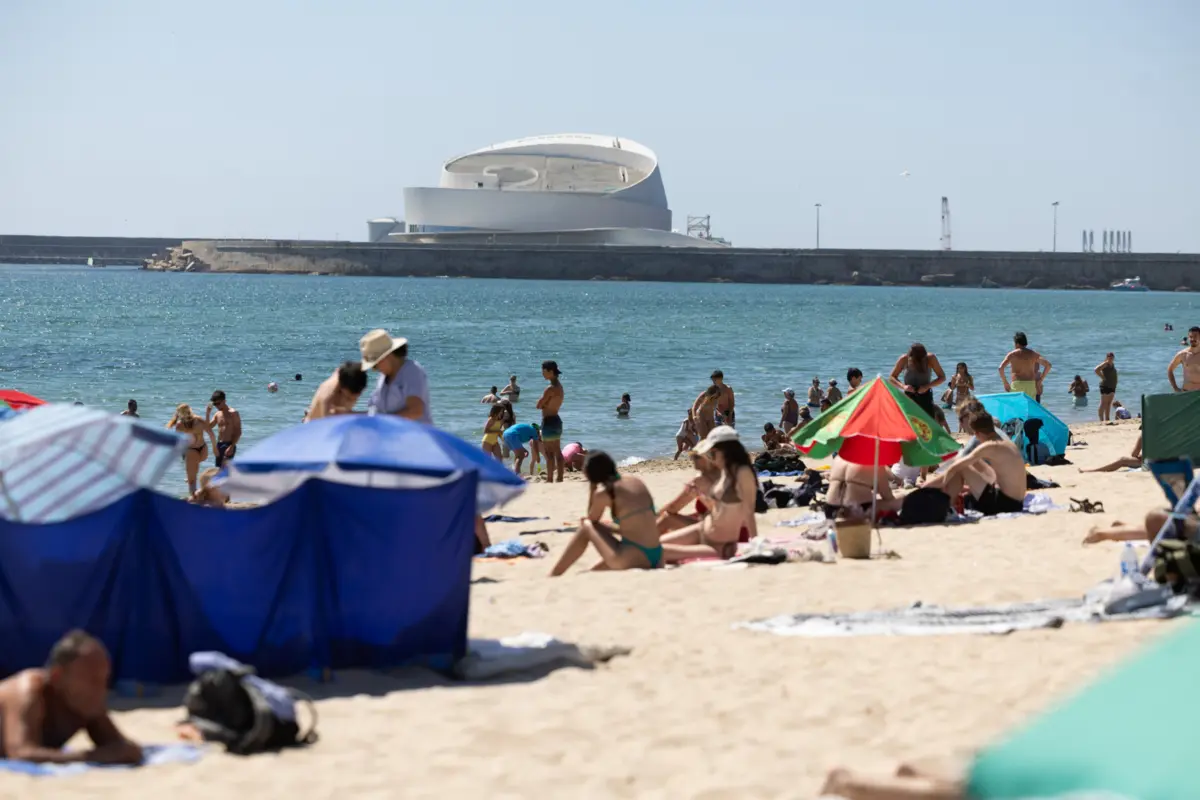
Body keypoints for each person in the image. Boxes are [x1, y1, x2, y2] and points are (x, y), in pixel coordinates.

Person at [0, 630, 142, 764]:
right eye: (92, 680)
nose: (101, 690)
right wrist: (91, 756)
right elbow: (20, 753)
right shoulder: (29, 692)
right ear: (57, 676)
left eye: (104, 680)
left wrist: (125, 751)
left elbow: (117, 747)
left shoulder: (86, 702)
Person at [549, 452, 663, 575]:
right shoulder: (636, 481)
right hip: (658, 557)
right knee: (593, 569)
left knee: (586, 525)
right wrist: (605, 527)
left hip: (633, 557)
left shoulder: (604, 493)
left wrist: (593, 488)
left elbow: (591, 520)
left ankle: (555, 573)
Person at [660, 426, 758, 563]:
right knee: (649, 547)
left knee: (654, 553)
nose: (712, 459)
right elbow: (721, 509)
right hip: (701, 530)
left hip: (717, 545)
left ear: (725, 451)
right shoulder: (726, 472)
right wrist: (703, 497)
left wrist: (755, 545)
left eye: (712, 454)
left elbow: (748, 512)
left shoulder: (742, 473)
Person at [923, 412, 1027, 516]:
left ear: (977, 434)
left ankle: (948, 509)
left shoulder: (989, 446)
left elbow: (954, 468)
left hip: (1004, 504)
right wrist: (970, 487)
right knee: (973, 462)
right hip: (1017, 502)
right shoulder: (1007, 443)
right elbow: (998, 477)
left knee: (961, 466)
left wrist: (937, 484)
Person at [360, 329, 432, 423]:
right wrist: (348, 414)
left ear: (387, 356)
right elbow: (374, 413)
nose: (375, 369)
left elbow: (415, 411)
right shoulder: (383, 379)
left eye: (375, 364)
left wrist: (383, 422)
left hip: (416, 436)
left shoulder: (412, 371)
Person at [823, 457, 900, 519]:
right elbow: (887, 495)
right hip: (857, 510)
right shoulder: (874, 460)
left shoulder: (838, 458)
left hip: (830, 509)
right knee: (899, 499)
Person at [167, 404, 218, 495]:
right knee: (192, 477)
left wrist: (214, 448)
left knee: (192, 477)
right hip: (197, 450)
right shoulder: (184, 424)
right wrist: (214, 448)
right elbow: (211, 434)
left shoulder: (192, 422)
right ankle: (195, 493)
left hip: (197, 451)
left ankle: (193, 491)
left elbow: (211, 433)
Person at [891, 342, 946, 419]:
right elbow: (892, 377)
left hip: (925, 393)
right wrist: (903, 386)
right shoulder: (904, 359)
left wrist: (927, 386)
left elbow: (942, 377)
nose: (917, 362)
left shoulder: (930, 358)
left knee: (927, 420)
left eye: (921, 360)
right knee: (909, 420)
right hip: (909, 394)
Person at [998, 331, 1051, 400]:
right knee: (1029, 409)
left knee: (1016, 409)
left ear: (1016, 343)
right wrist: (1040, 381)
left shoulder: (1012, 354)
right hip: (1030, 385)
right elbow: (1048, 365)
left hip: (1017, 385)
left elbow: (1000, 368)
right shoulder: (1033, 354)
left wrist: (1005, 383)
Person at [537, 360, 565, 482]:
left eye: (544, 371)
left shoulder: (550, 388)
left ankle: (549, 479)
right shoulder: (560, 387)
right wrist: (546, 404)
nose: (542, 373)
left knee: (549, 453)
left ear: (550, 371)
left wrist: (544, 404)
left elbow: (539, 405)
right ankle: (559, 477)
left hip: (548, 421)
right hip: (557, 420)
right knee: (558, 451)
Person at [205, 391, 242, 469]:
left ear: (224, 401)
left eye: (218, 403)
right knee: (219, 469)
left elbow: (238, 432)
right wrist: (208, 413)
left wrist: (232, 446)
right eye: (215, 404)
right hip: (219, 445)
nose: (217, 406)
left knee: (225, 470)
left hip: (229, 445)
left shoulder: (233, 413)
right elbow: (208, 428)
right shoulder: (217, 414)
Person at [1167, 326, 1200, 392]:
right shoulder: (1183, 354)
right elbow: (1170, 369)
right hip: (1186, 393)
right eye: (1190, 337)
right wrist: (1175, 388)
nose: (1192, 339)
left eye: (1195, 336)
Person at [1094, 352, 1118, 421]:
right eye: (1109, 357)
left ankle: (1107, 419)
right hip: (1105, 386)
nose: (1111, 358)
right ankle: (1101, 420)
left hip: (1112, 386)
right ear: (1107, 357)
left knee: (1109, 403)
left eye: (1112, 357)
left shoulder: (1112, 364)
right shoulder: (1105, 364)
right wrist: (1102, 377)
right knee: (1103, 403)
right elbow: (1096, 370)